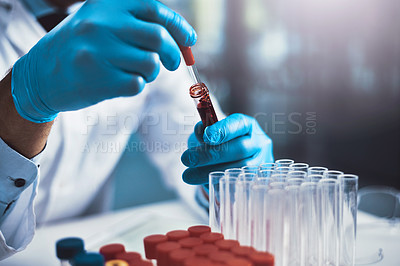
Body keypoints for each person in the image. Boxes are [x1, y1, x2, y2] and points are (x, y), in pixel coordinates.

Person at [0, 0, 273, 260]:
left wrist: (227, 176)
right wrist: (25, 93)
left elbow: (188, 149)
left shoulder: (139, 27)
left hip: (91, 248)